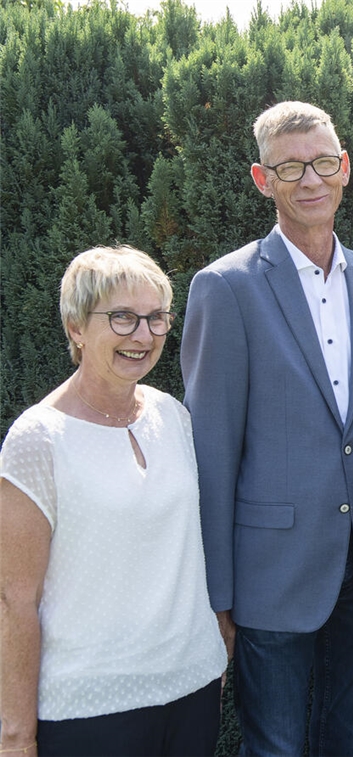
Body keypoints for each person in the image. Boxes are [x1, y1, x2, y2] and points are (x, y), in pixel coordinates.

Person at [180, 101, 353, 755]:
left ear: (344, 169)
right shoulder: (224, 288)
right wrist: (217, 595)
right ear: (263, 179)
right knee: (276, 747)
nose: (309, 180)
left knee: (350, 740)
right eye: (290, 168)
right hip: (270, 576)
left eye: (321, 163)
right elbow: (213, 452)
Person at [0, 246, 227, 756]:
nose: (143, 335)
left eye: (155, 318)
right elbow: (14, 601)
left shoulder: (173, 417)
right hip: (90, 709)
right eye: (122, 318)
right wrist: (15, 737)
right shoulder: (38, 439)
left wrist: (214, 649)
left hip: (191, 688)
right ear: (76, 327)